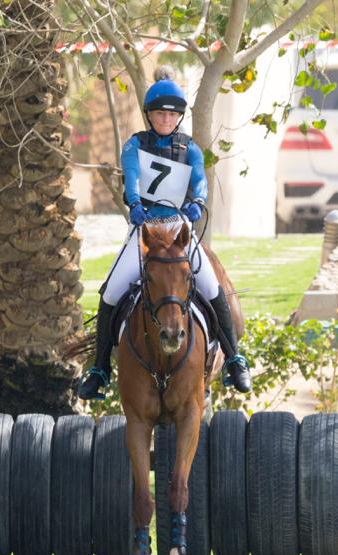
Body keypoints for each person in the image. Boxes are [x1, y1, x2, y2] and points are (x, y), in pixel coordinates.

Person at [77, 70, 252, 400]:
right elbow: (132, 179)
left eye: (172, 115)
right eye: (160, 114)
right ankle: (100, 369)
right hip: (145, 231)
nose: (166, 119)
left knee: (213, 288)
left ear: (179, 117)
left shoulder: (191, 149)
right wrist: (134, 203)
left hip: (180, 230)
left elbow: (198, 181)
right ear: (149, 115)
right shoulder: (134, 146)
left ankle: (233, 360)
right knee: (112, 292)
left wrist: (198, 202)